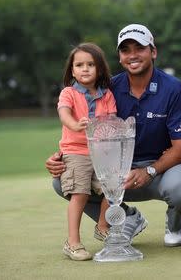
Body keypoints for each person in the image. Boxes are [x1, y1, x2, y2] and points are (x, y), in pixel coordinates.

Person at [46, 24, 181, 247]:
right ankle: (126, 218)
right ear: (120, 57)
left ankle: (175, 223)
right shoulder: (107, 88)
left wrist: (149, 170)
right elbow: (81, 124)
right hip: (117, 171)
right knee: (62, 182)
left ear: (153, 52)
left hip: (160, 170)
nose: (133, 55)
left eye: (140, 48)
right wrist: (61, 156)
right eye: (126, 50)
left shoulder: (174, 89)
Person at [57, 43, 117, 260]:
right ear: (72, 70)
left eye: (90, 64)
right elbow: (64, 113)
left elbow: (111, 120)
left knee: (113, 186)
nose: (85, 69)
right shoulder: (69, 93)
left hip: (101, 152)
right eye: (79, 65)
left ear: (99, 69)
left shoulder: (107, 95)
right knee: (80, 193)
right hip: (76, 151)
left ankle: (103, 226)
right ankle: (73, 243)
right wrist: (74, 125)